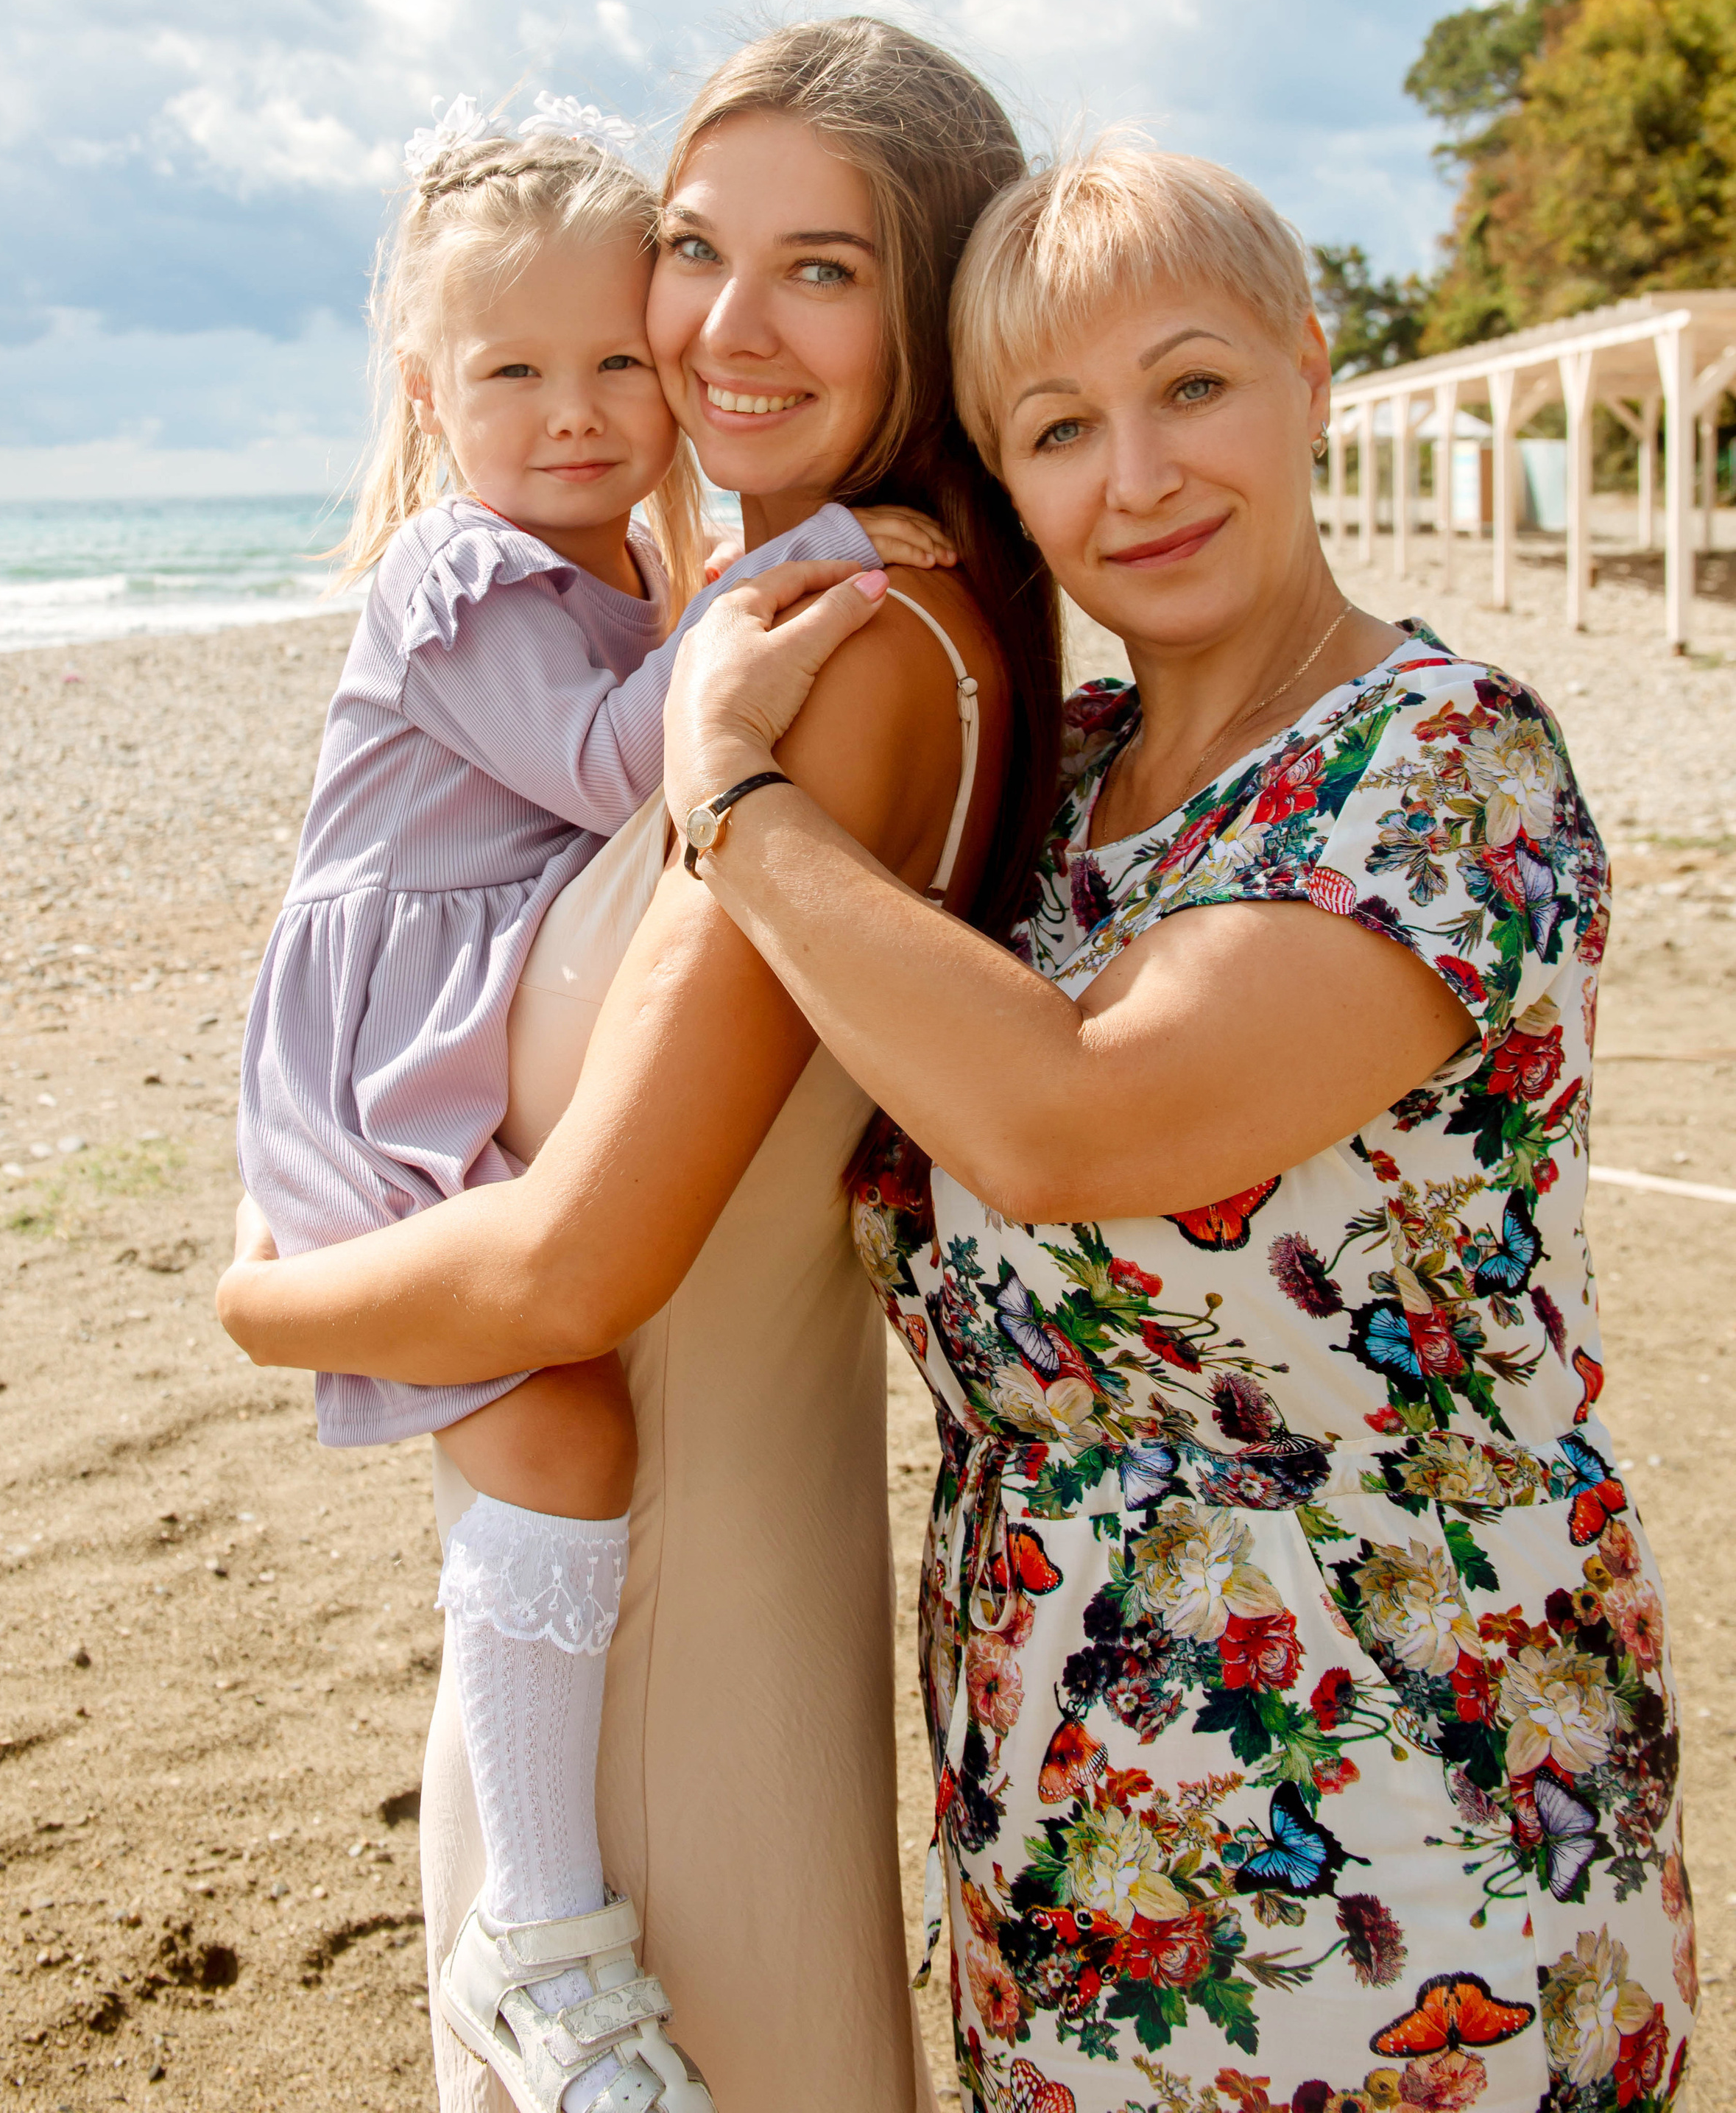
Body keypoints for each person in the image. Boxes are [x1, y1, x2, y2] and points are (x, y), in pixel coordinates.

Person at [653, 138, 1696, 2113]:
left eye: (1192, 386)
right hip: (1067, 1799)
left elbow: (1076, 1119)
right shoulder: (1062, 787)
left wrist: (728, 790)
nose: (1136, 477)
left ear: (1312, 372)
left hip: (1407, 1796)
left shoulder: (1439, 758)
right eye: (1059, 429)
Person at [217, 18, 1065, 2112]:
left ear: (934, 306)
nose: (719, 330)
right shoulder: (745, 622)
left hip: (669, 1617)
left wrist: (259, 1301)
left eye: (823, 268)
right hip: (631, 1576)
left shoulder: (826, 657)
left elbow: (578, 1264)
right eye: (697, 248)